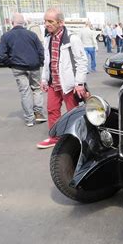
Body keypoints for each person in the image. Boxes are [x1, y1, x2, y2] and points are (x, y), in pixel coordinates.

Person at [37, 8, 88, 149]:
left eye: (50, 21)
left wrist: (79, 83)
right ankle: (55, 137)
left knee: (73, 112)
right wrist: (44, 79)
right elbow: (47, 61)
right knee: (52, 109)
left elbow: (82, 62)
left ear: (60, 22)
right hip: (54, 83)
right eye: (45, 21)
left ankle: (77, 138)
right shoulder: (48, 38)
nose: (47, 24)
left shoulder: (72, 39)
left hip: (69, 84)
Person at [0, 13, 47, 127]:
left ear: (12, 22)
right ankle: (39, 114)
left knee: (25, 92)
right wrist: (40, 62)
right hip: (34, 66)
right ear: (24, 23)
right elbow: (41, 50)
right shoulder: (32, 35)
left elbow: (1, 55)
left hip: (18, 67)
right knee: (37, 90)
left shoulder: (6, 36)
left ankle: (29, 119)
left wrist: (10, 64)